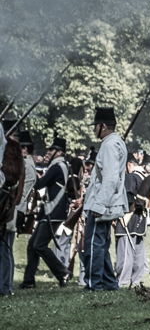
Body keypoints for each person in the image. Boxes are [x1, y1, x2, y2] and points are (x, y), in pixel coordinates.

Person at [81, 107, 129, 291]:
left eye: (96, 125)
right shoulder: (114, 142)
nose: (94, 129)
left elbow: (109, 178)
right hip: (107, 202)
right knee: (100, 245)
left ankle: (94, 284)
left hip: (102, 203)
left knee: (93, 245)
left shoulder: (109, 145)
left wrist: (99, 204)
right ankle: (109, 283)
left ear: (102, 126)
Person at [20, 136, 71, 288]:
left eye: (52, 149)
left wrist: (31, 165)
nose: (48, 152)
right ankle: (29, 281)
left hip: (53, 211)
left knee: (39, 245)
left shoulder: (57, 167)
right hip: (51, 211)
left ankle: (62, 272)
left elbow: (39, 184)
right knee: (32, 245)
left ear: (59, 152)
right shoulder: (58, 166)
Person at [115, 155, 149, 287]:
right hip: (141, 217)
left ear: (128, 165)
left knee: (125, 251)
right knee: (138, 251)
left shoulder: (131, 177)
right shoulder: (144, 177)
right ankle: (136, 280)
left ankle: (123, 281)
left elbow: (128, 199)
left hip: (128, 217)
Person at [0, 117, 24, 296]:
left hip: (6, 205)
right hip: (7, 204)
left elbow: (13, 182)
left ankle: (5, 287)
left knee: (5, 250)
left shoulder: (12, 151)